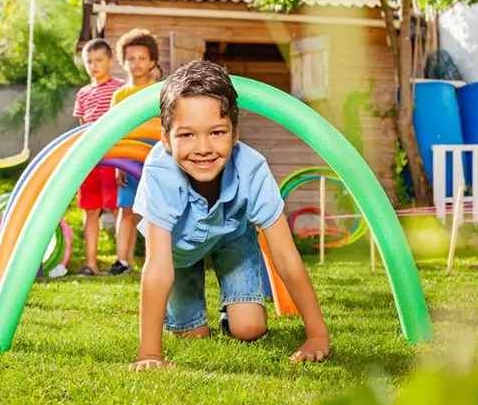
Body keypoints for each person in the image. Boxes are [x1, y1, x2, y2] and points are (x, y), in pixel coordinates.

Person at [129, 60, 330, 371]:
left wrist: (317, 335)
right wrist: (149, 354)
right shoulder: (160, 173)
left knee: (249, 329)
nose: (203, 148)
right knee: (192, 334)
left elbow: (285, 257)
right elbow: (157, 267)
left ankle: (234, 311)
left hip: (231, 236)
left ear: (235, 134)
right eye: (187, 135)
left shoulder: (252, 168)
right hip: (177, 253)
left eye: (216, 132)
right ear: (166, 139)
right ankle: (189, 315)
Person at [108, 29, 161, 275]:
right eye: (130, 58)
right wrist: (118, 165)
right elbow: (114, 131)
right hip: (128, 158)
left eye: (142, 58)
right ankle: (122, 261)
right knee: (126, 209)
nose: (136, 63)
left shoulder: (158, 91)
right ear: (123, 61)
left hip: (153, 157)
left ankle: (156, 259)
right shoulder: (120, 95)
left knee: (153, 210)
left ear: (152, 62)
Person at [72, 38, 124, 276]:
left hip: (114, 157)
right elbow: (82, 126)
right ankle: (91, 263)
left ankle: (120, 262)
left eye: (99, 60)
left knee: (117, 208)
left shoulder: (120, 88)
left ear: (111, 61)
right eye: (89, 61)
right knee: (91, 210)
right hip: (90, 158)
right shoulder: (83, 94)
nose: (93, 65)